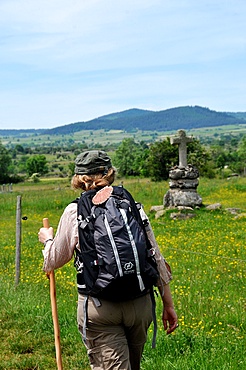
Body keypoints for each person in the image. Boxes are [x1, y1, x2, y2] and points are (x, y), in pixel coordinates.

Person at [38, 150, 178, 370]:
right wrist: (168, 303)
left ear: (80, 179)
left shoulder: (75, 211)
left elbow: (53, 261)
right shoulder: (131, 204)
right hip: (141, 304)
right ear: (109, 173)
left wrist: (47, 241)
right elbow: (155, 256)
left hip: (100, 308)